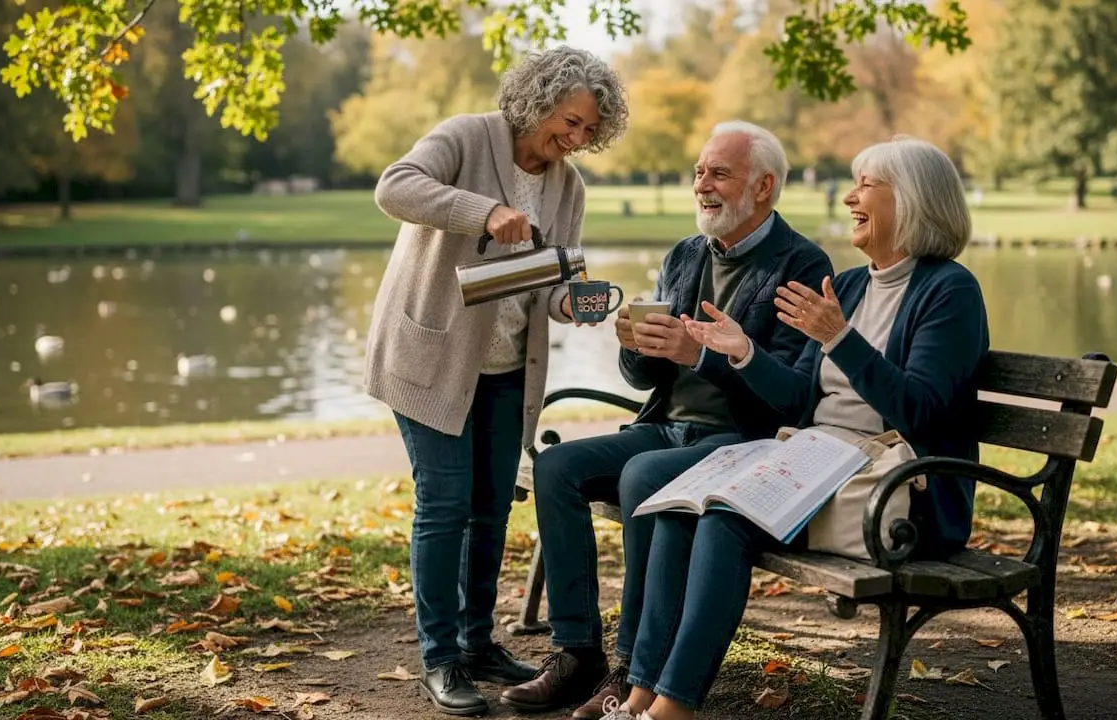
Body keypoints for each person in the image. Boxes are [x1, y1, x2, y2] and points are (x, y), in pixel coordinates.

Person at [599, 136, 990, 720]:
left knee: (726, 516)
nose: (851, 198)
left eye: (866, 187)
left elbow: (923, 412)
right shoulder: (853, 285)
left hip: (898, 492)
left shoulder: (949, 291)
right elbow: (800, 399)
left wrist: (841, 339)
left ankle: (672, 710)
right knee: (682, 503)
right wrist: (743, 352)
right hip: (818, 460)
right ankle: (637, 698)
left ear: (909, 201)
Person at [499, 122, 833, 719]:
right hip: (665, 427)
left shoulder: (801, 263)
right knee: (556, 468)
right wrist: (634, 345)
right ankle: (577, 653)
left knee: (644, 476)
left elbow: (792, 398)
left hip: (742, 443)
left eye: (719, 174)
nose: (702, 185)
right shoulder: (685, 253)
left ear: (764, 187)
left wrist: (702, 354)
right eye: (699, 172)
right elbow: (644, 380)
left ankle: (631, 667)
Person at [366, 45, 629, 716]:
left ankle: (477, 643)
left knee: (490, 508)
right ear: (540, 100)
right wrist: (481, 212)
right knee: (445, 503)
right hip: (431, 358)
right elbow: (394, 186)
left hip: (509, 366)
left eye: (586, 132)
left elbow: (553, 283)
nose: (573, 140)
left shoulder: (569, 187)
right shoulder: (467, 136)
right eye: (567, 122)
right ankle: (441, 658)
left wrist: (577, 301)